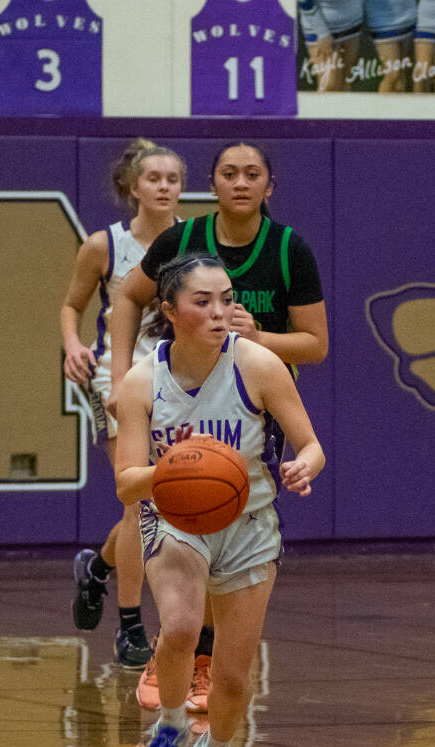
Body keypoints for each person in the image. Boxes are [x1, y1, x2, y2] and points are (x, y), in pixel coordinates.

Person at [108, 141, 328, 715]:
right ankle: (173, 651)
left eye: (252, 173)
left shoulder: (286, 251)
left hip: (249, 398)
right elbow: (127, 297)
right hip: (175, 397)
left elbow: (316, 345)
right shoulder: (180, 242)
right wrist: (118, 373)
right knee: (178, 575)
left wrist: (255, 339)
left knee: (224, 514)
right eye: (228, 173)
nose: (240, 183)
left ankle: (208, 686)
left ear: (269, 185)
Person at [115, 254, 325, 747]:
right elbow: (126, 483)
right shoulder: (141, 381)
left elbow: (312, 444)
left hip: (249, 525)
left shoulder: (258, 364)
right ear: (169, 310)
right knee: (182, 626)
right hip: (175, 518)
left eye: (227, 299)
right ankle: (171, 728)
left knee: (232, 675)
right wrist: (178, 470)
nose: (219, 312)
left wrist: (305, 465)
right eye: (202, 301)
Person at [62, 138, 187, 670]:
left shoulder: (195, 240)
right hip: (118, 378)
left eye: (172, 179)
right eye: (153, 178)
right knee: (140, 502)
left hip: (178, 380)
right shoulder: (103, 245)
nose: (163, 186)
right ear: (133, 187)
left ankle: (97, 568)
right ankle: (132, 624)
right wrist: (72, 344)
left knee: (169, 503)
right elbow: (71, 306)